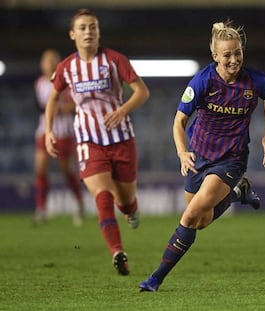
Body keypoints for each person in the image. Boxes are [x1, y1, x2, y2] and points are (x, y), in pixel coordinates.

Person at [139, 19, 265, 292]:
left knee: (189, 217)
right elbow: (179, 121)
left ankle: (156, 278)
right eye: (227, 54)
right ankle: (239, 193)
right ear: (215, 55)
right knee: (200, 221)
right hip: (199, 158)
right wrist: (182, 152)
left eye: (237, 53)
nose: (234, 59)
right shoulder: (203, 81)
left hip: (231, 160)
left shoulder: (256, 80)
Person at [44, 9, 150, 275]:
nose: (88, 32)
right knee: (102, 196)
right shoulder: (66, 67)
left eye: (92, 27)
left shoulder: (115, 60)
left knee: (125, 202)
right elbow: (53, 98)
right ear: (73, 34)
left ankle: (131, 209)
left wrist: (122, 110)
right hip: (88, 140)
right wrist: (48, 131)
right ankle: (118, 252)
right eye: (82, 28)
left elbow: (142, 91)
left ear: (98, 32)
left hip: (121, 137)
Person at [33, 49, 85, 226]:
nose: (49, 63)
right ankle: (41, 209)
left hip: (63, 132)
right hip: (44, 130)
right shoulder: (39, 83)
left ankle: (78, 203)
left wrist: (61, 109)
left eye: (52, 60)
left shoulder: (67, 82)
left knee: (65, 170)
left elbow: (74, 104)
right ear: (42, 64)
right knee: (40, 168)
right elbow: (40, 107)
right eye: (46, 60)